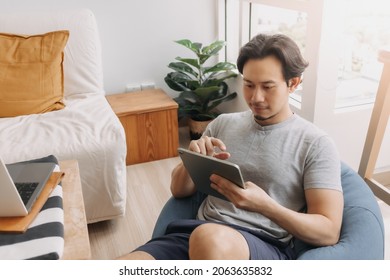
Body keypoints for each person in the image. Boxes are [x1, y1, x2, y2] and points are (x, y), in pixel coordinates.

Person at [119, 33, 344, 260]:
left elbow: (328, 231)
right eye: (248, 85)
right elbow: (178, 191)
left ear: (293, 83)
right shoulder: (222, 123)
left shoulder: (315, 144)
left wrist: (266, 207)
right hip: (193, 232)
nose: (256, 97)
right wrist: (192, 158)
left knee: (210, 239)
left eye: (268, 86)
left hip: (261, 243)